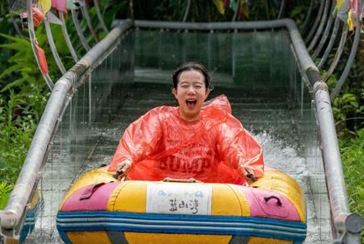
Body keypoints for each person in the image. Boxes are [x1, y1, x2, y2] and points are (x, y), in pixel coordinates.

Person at [107, 62, 264, 184]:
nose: (191, 91)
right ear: (175, 92)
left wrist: (242, 164)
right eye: (184, 86)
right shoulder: (160, 119)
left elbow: (232, 147)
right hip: (158, 185)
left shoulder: (217, 123)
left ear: (207, 92)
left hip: (209, 189)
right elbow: (141, 142)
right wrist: (129, 159)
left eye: (197, 86)